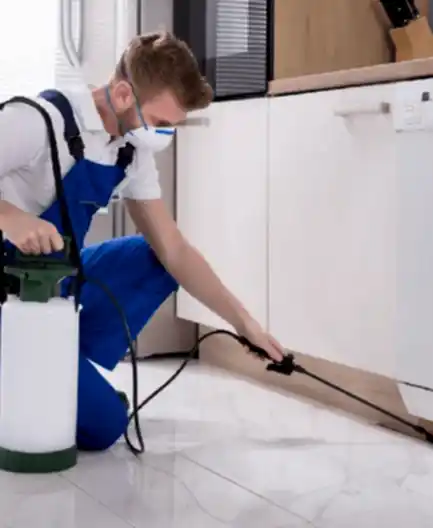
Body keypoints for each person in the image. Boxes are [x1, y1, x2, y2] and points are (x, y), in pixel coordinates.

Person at [0, 31, 285, 452]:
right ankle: (33, 371)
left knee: (156, 261)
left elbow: (176, 251)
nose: (164, 136)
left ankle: (56, 362)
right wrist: (9, 217)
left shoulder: (129, 152)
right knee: (104, 426)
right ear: (121, 94)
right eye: (162, 123)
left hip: (53, 287)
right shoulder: (37, 121)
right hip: (10, 298)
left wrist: (244, 324)